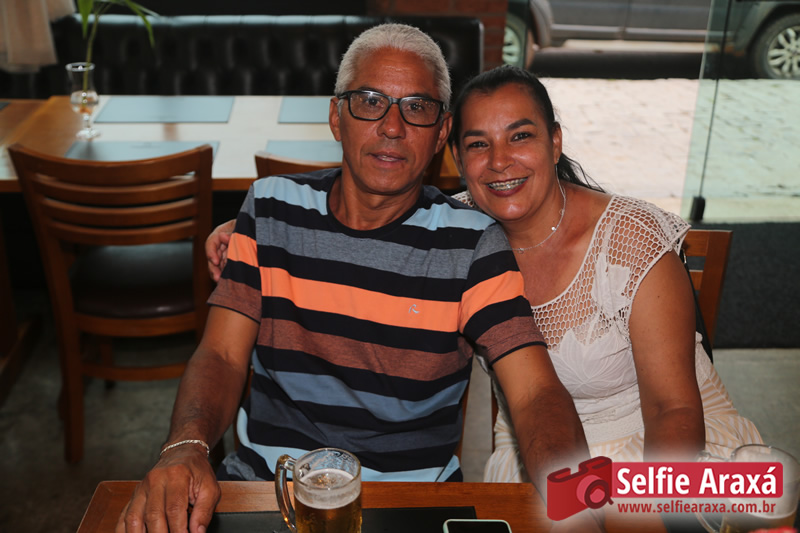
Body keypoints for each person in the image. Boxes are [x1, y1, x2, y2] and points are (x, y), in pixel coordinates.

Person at [118, 26, 601, 533]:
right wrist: (185, 448)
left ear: (441, 133)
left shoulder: (472, 244)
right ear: (336, 117)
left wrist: (576, 506)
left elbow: (535, 394)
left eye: (416, 107)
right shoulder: (270, 208)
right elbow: (220, 354)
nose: (392, 127)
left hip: (411, 503)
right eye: (370, 101)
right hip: (267, 487)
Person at [447, 65, 762, 483]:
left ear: (554, 143)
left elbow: (672, 410)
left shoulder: (630, 239)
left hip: (658, 446)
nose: (499, 161)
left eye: (520, 136)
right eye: (478, 144)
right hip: (534, 452)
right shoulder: (452, 234)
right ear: (458, 158)